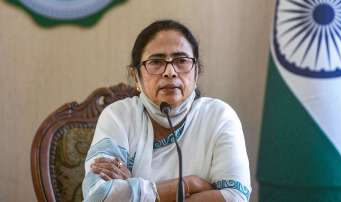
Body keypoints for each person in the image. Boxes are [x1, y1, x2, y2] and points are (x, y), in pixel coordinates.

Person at [82, 20, 251, 202]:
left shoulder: (220, 117)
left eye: (181, 61)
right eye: (156, 62)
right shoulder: (118, 117)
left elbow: (234, 197)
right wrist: (190, 184)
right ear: (135, 76)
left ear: (197, 72)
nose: (170, 72)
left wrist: (132, 188)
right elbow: (98, 194)